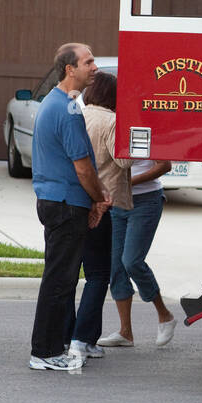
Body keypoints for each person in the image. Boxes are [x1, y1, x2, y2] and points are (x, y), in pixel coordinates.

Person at [28, 43, 111, 372]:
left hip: (57, 201)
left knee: (60, 279)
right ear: (69, 69)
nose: (95, 67)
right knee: (59, 281)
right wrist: (98, 198)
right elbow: (83, 167)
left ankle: (52, 347)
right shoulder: (66, 108)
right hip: (65, 204)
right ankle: (45, 352)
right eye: (88, 62)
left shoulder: (61, 103)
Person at [67, 72, 132, 360]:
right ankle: (81, 339)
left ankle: (81, 337)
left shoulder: (78, 114)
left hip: (73, 202)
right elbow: (124, 160)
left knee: (71, 274)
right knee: (98, 275)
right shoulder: (112, 121)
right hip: (102, 204)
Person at [97, 157, 178, 349]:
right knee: (116, 267)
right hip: (118, 201)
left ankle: (165, 316)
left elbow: (165, 165)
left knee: (131, 261)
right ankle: (125, 333)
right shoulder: (114, 128)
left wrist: (129, 182)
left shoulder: (148, 129)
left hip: (146, 201)